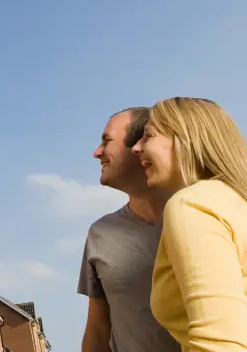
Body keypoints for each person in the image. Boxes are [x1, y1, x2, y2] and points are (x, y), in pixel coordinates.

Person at [131, 97, 247, 351]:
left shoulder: (193, 204)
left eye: (148, 136)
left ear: (185, 140)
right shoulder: (236, 202)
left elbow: (219, 346)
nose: (136, 148)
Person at [78, 107, 178, 352]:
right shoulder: (100, 234)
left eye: (107, 141)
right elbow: (98, 328)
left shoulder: (206, 215)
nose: (97, 152)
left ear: (142, 145)